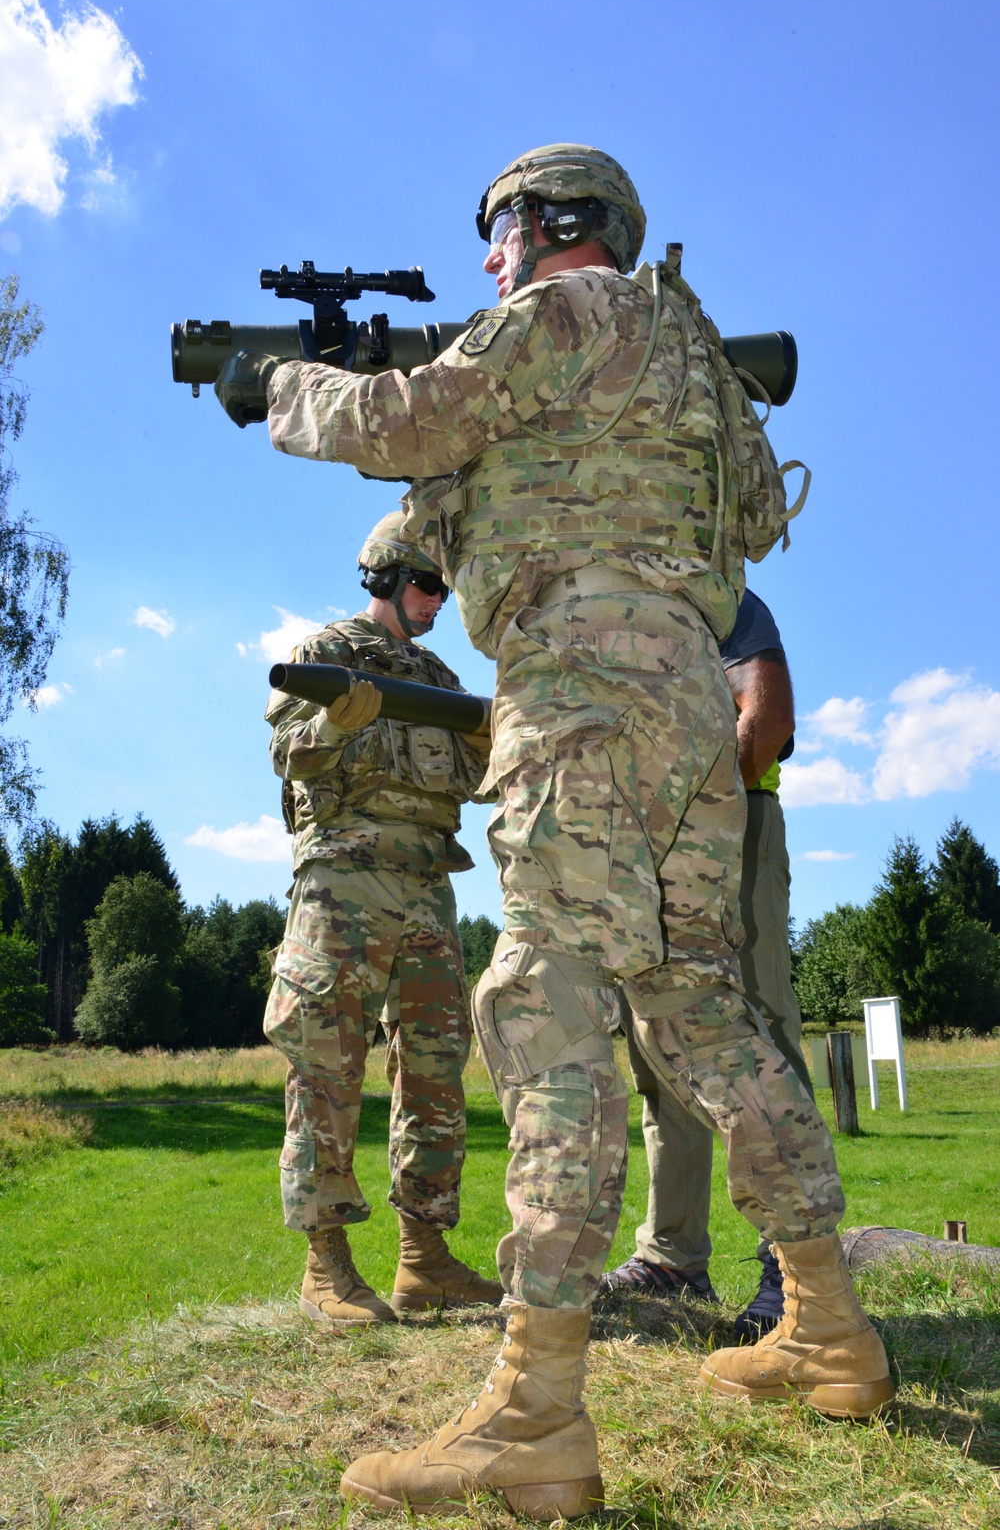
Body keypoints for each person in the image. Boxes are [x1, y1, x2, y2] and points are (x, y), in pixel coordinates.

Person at [217, 145, 892, 1521]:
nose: (487, 262)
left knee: (546, 1013)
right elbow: (754, 513)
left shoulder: (568, 313)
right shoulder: (693, 355)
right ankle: (827, 1324)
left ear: (554, 222)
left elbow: (402, 423)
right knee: (703, 1015)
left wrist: (280, 384)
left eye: (499, 231)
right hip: (688, 709)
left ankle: (534, 1409)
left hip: (576, 692)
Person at [263, 513, 501, 1324]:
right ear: (390, 579)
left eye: (444, 587)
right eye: (429, 584)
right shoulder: (325, 654)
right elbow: (286, 752)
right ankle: (326, 1268)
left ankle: (422, 1259)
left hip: (429, 886)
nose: (439, 601)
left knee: (434, 1070)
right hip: (344, 887)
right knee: (326, 1068)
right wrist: (336, 722)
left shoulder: (438, 679)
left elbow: (483, 776)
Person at [606, 588, 813, 1342]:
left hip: (735, 826)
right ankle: (672, 1254)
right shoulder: (602, 605)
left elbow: (768, 717)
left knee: (760, 1029)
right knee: (657, 1044)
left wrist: (701, 816)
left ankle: (793, 1262)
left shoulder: (727, 601)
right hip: (633, 848)